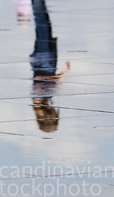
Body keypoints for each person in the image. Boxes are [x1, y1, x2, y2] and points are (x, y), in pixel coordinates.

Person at [30, 0, 69, 132]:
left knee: (41, 22)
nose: (56, 114)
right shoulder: (44, 100)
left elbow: (39, 78)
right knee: (44, 22)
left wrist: (58, 78)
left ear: (48, 118)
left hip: (42, 56)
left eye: (55, 118)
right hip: (47, 58)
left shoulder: (38, 100)